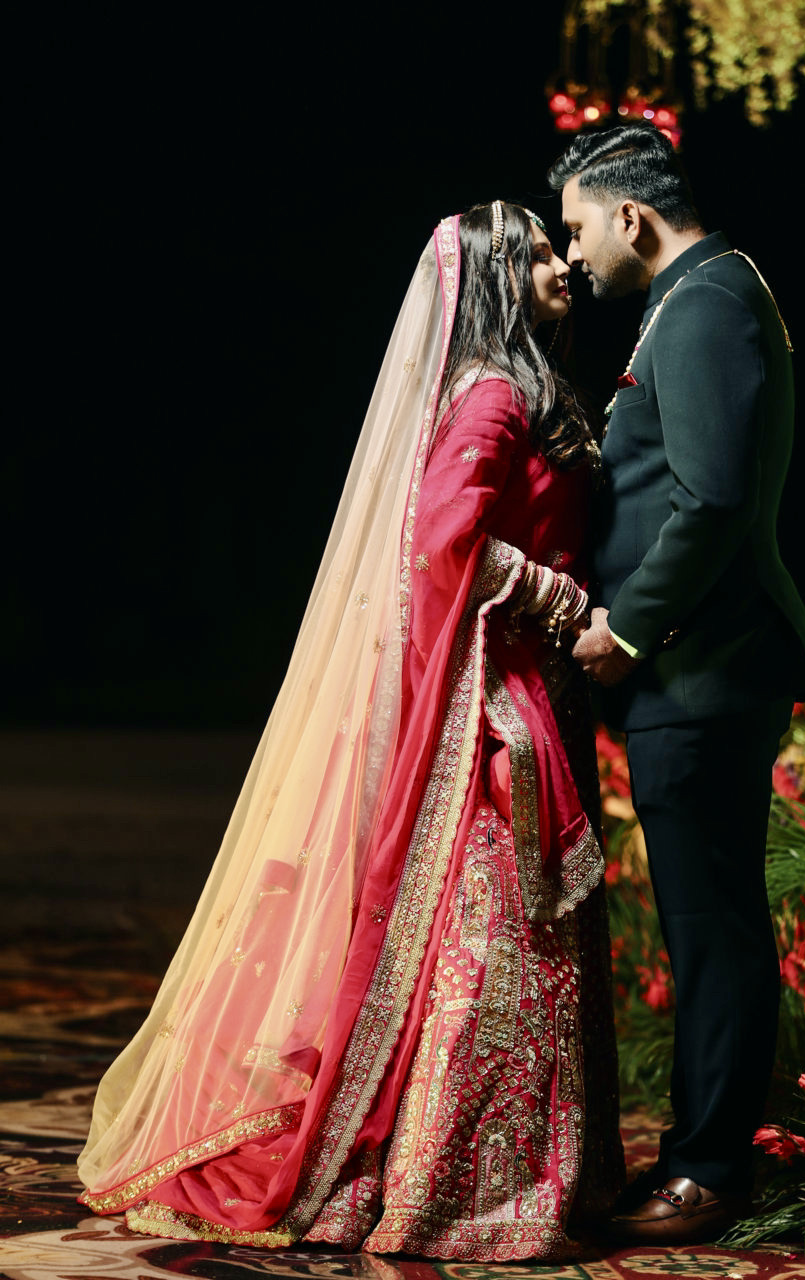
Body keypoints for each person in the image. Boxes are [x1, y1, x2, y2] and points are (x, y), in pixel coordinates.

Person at [77, 201, 624, 1258]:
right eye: (539, 251)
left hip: (529, 688)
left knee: (512, 942)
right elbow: (443, 534)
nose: (562, 263)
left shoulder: (521, 388)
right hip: (494, 708)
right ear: (503, 278)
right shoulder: (496, 394)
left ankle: (510, 1176)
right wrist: (558, 604)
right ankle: (448, 1185)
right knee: (490, 944)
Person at [548, 124, 805, 1245]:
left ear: (630, 216)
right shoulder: (703, 290)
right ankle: (701, 1153)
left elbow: (708, 500)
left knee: (712, 927)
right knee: (708, 923)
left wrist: (632, 629)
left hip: (699, 672)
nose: (572, 256)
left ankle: (709, 1169)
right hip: (700, 672)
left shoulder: (702, 301)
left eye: (576, 228)